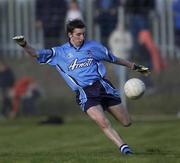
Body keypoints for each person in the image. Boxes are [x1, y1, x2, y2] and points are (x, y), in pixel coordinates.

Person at [13, 19, 150, 155]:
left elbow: (114, 59)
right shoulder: (59, 52)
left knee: (126, 122)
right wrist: (24, 44)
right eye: (78, 34)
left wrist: (135, 67)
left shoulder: (93, 47)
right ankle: (125, 149)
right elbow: (35, 53)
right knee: (102, 122)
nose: (82, 37)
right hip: (85, 93)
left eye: (84, 34)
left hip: (103, 86)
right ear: (70, 35)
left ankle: (109, 108)